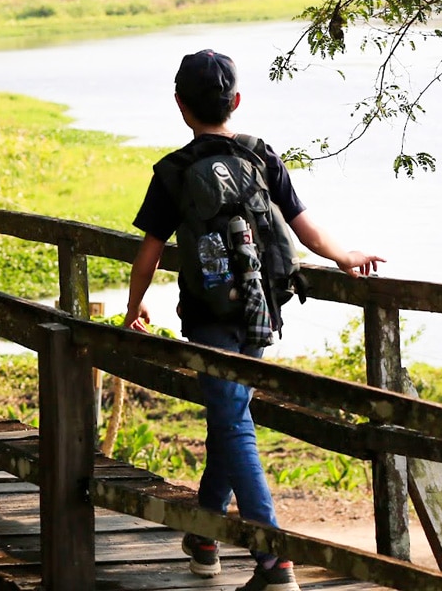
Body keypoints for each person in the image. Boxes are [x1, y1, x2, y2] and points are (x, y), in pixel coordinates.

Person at [122, 50, 384, 589]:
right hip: (262, 309)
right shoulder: (262, 156)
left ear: (180, 106)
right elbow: (304, 228)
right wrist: (344, 256)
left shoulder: (172, 172)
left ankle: (274, 558)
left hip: (208, 316)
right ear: (235, 102)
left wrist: (135, 305)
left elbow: (150, 249)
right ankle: (203, 533)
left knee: (233, 419)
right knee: (231, 414)